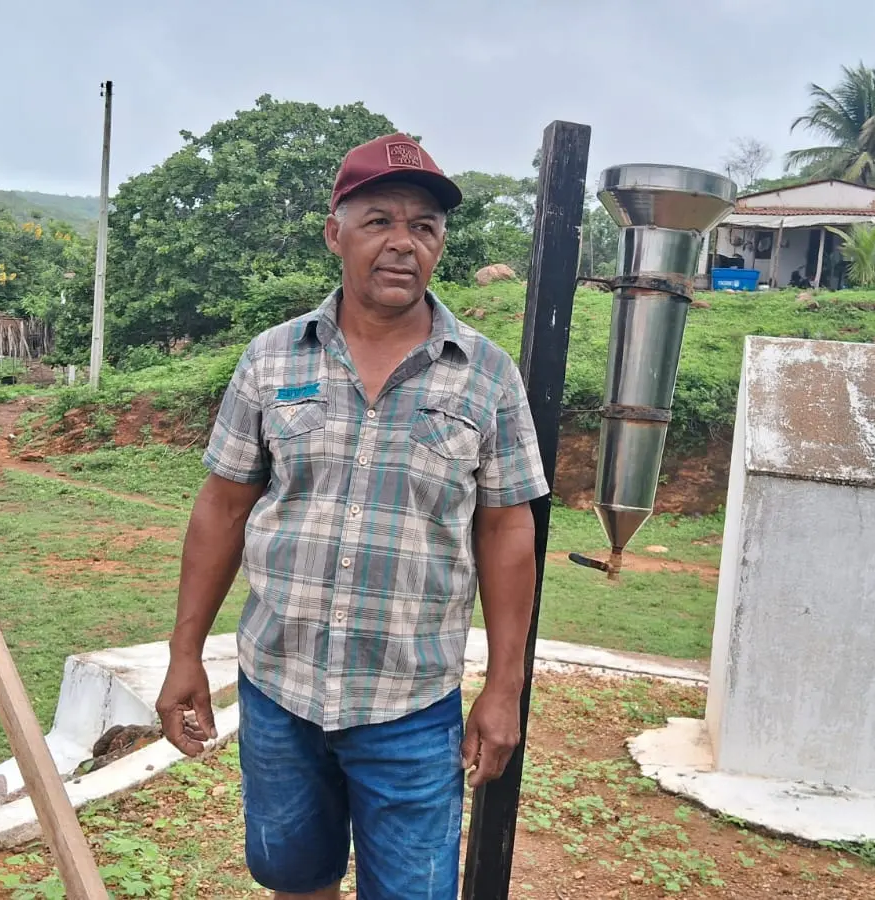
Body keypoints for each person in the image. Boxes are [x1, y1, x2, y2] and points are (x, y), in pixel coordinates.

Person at [154, 133, 546, 900]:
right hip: (280, 688)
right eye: (379, 221)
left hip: (411, 703)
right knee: (294, 876)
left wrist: (505, 688)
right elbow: (223, 506)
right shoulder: (272, 359)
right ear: (335, 233)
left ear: (440, 245)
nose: (403, 242)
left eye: (424, 226)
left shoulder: (488, 374)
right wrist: (184, 652)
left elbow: (508, 530)